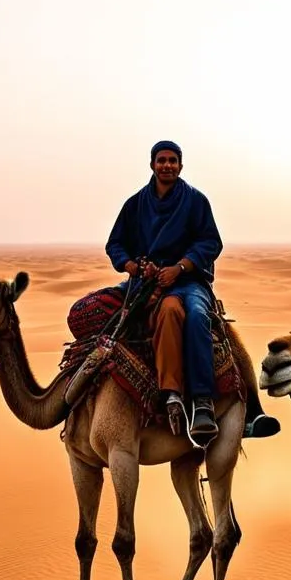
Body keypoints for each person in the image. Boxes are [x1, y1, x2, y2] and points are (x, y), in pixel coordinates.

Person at [104, 140, 224, 447]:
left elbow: (211, 243)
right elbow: (115, 244)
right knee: (91, 315)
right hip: (145, 283)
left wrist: (181, 268)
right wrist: (131, 265)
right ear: (152, 165)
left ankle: (202, 402)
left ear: (181, 166)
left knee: (195, 315)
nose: (167, 165)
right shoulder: (135, 205)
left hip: (188, 281)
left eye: (172, 160)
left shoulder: (196, 202)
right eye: (161, 160)